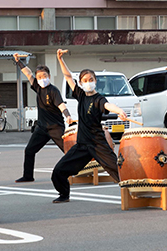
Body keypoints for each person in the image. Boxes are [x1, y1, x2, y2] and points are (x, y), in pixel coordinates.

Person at [50, 49, 128, 203]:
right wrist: (60, 59)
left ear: (95, 81)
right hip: (82, 145)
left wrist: (119, 111)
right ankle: (64, 194)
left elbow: (108, 105)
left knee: (118, 169)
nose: (88, 82)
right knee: (58, 172)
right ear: (80, 83)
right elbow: (68, 76)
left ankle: (133, 192)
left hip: (98, 143)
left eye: (91, 79)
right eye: (85, 80)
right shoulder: (80, 95)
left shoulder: (99, 98)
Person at [13, 54, 74, 183]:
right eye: (39, 77)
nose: (42, 79)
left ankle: (77, 172)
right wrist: (19, 61)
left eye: (44, 76)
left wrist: (68, 116)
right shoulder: (37, 87)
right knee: (29, 150)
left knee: (68, 150)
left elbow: (61, 105)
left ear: (49, 77)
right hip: (41, 127)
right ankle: (28, 176)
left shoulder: (53, 91)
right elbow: (28, 73)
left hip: (55, 127)